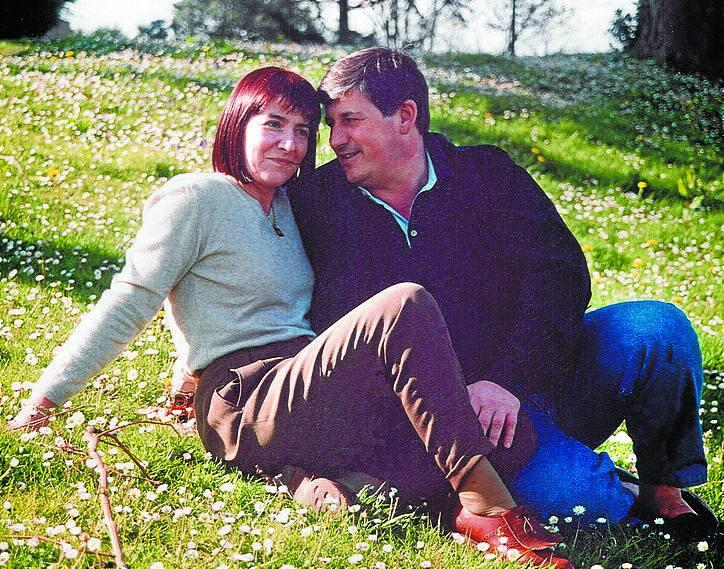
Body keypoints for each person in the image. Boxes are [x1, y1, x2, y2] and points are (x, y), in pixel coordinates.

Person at [9, 66, 579, 568]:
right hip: (245, 394)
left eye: (304, 131)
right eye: (274, 125)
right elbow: (129, 300)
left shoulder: (292, 207)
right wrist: (45, 400)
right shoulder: (195, 198)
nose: (293, 144)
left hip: (304, 386)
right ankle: (490, 510)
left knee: (504, 431)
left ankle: (335, 487)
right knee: (404, 304)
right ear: (238, 125)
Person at [289, 47, 707, 524]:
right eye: (331, 124)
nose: (336, 139)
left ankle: (664, 488)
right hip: (469, 428)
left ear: (405, 116)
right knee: (578, 503)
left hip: (547, 377)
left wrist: (509, 379)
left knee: (655, 327)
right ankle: (617, 493)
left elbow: (560, 276)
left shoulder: (486, 174)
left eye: (350, 120)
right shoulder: (319, 205)